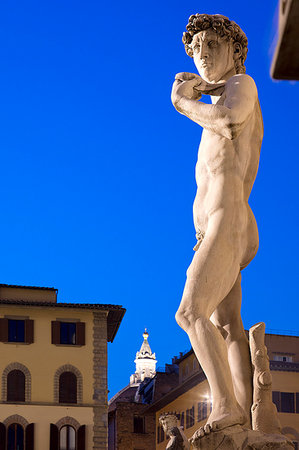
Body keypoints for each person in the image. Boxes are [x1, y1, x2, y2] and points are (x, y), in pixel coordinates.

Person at [171, 14, 263, 437]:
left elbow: (230, 123)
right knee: (227, 326)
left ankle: (225, 406)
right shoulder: (217, 100)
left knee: (190, 312)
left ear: (235, 52)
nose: (203, 54)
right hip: (215, 228)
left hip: (230, 219)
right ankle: (246, 415)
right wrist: (202, 95)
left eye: (213, 45)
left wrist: (183, 102)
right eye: (197, 48)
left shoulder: (241, 87)